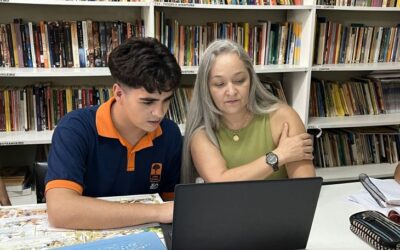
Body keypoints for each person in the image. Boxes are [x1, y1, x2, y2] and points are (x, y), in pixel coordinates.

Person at [45, 37, 182, 229]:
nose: (159, 112)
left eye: (166, 100)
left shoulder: (169, 134)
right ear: (118, 94)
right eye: (148, 102)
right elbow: (61, 211)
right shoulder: (75, 129)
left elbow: (173, 204)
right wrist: (157, 211)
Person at [181, 39, 315, 183]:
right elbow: (219, 182)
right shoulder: (201, 132)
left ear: (251, 80)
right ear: (206, 88)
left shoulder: (283, 117)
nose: (231, 91)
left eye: (239, 80)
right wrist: (279, 155)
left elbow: (305, 187)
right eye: (219, 84)